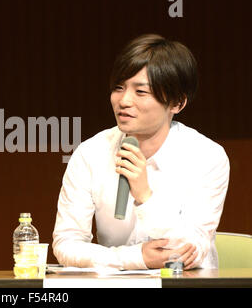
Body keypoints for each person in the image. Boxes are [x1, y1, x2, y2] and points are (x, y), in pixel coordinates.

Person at [52, 34, 230, 270]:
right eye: (119, 88)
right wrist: (136, 258)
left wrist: (145, 195)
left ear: (177, 103)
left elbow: (190, 251)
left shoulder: (207, 157)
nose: (123, 101)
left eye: (141, 92)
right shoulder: (90, 153)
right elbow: (66, 243)